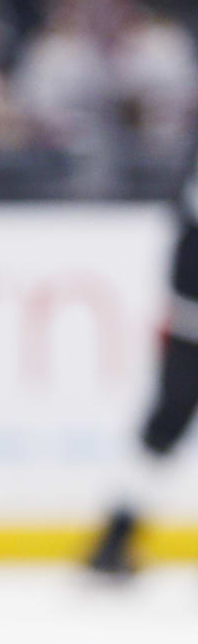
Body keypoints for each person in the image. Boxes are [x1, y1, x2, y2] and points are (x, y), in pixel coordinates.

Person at [87, 157, 198, 576]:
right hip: (190, 321)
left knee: (162, 430)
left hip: (187, 319)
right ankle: (115, 539)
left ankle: (114, 539)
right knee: (162, 431)